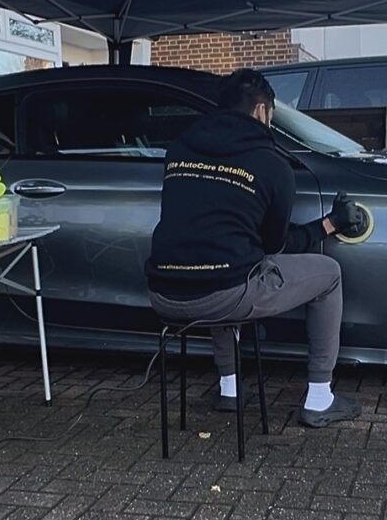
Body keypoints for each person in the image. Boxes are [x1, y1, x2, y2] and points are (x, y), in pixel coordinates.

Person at [145, 68, 365, 427]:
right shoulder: (272, 164)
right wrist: (329, 225)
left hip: (162, 293)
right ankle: (320, 399)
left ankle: (230, 390)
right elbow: (275, 245)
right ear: (262, 111)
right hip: (223, 296)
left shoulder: (179, 148)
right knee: (328, 274)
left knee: (219, 259)